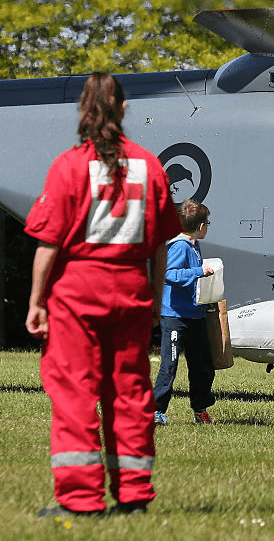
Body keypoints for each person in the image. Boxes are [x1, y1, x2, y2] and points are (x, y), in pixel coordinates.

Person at [24, 72, 181, 517]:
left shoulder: (69, 167)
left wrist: (36, 301)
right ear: (124, 110)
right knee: (130, 392)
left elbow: (49, 243)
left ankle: (80, 500)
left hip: (77, 291)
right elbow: (159, 244)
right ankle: (133, 497)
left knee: (75, 393)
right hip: (131, 289)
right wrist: (152, 297)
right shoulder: (150, 167)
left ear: (84, 112)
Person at [153, 199, 218, 425]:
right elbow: (170, 274)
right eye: (207, 223)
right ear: (200, 227)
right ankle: (156, 411)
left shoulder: (194, 246)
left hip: (196, 316)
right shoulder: (180, 246)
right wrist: (198, 271)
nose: (208, 227)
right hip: (175, 317)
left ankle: (200, 409)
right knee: (169, 365)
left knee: (202, 366)